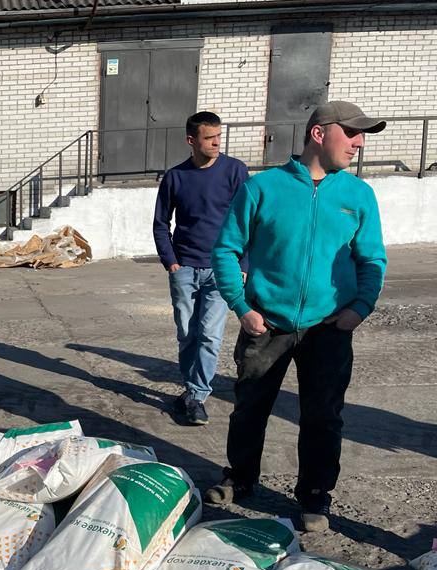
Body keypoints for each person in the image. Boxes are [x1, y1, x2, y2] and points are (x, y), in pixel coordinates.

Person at [206, 101, 387, 532]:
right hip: (267, 323)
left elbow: (372, 259)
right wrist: (242, 307)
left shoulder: (358, 195)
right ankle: (240, 477)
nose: (359, 143)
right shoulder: (263, 188)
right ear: (319, 134)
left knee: (323, 416)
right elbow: (226, 249)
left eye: (362, 136)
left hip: (329, 327)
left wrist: (360, 308)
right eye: (352, 133)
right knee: (250, 408)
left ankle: (315, 495)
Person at [153, 111, 250, 426]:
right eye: (210, 138)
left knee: (209, 335)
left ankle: (197, 395)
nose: (217, 143)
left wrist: (243, 263)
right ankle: (190, 388)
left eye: (219, 136)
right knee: (187, 334)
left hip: (221, 269)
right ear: (191, 140)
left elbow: (250, 220)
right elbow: (161, 223)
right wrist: (171, 261)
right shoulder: (175, 177)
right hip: (183, 268)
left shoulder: (235, 171)